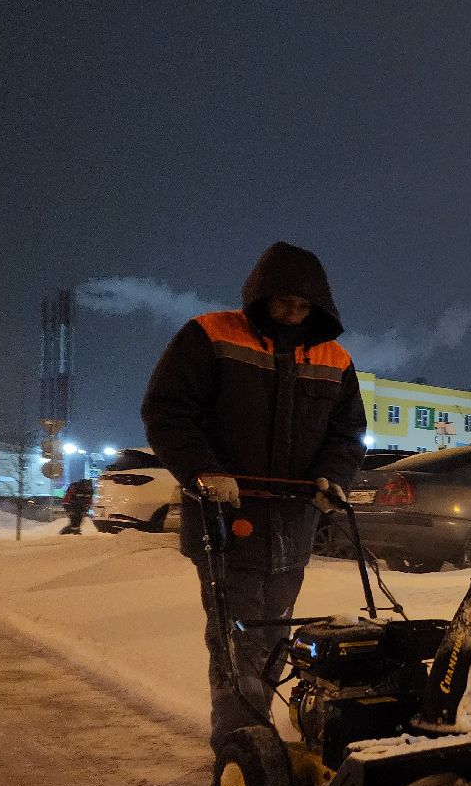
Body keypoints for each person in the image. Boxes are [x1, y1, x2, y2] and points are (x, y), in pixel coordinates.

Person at [141, 242, 366, 753]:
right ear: (261, 296)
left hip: (293, 524)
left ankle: (255, 740)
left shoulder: (334, 359)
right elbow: (168, 410)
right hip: (227, 519)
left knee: (274, 638)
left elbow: (348, 433)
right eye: (284, 301)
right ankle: (239, 750)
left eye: (304, 306)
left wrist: (333, 477)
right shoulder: (210, 336)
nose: (292, 313)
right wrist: (204, 471)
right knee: (237, 640)